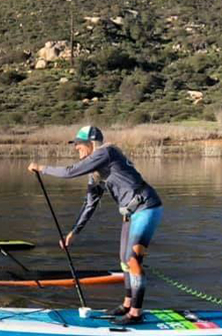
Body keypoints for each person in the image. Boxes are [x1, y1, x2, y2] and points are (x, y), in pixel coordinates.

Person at [29, 126, 163, 325]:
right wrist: (75, 232)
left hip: (146, 207)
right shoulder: (96, 172)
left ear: (92, 144)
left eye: (79, 145)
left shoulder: (106, 152)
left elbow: (69, 172)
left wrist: (42, 168)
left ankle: (136, 313)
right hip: (131, 214)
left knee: (133, 260)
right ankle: (127, 304)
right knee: (124, 261)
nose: (76, 149)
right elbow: (90, 204)